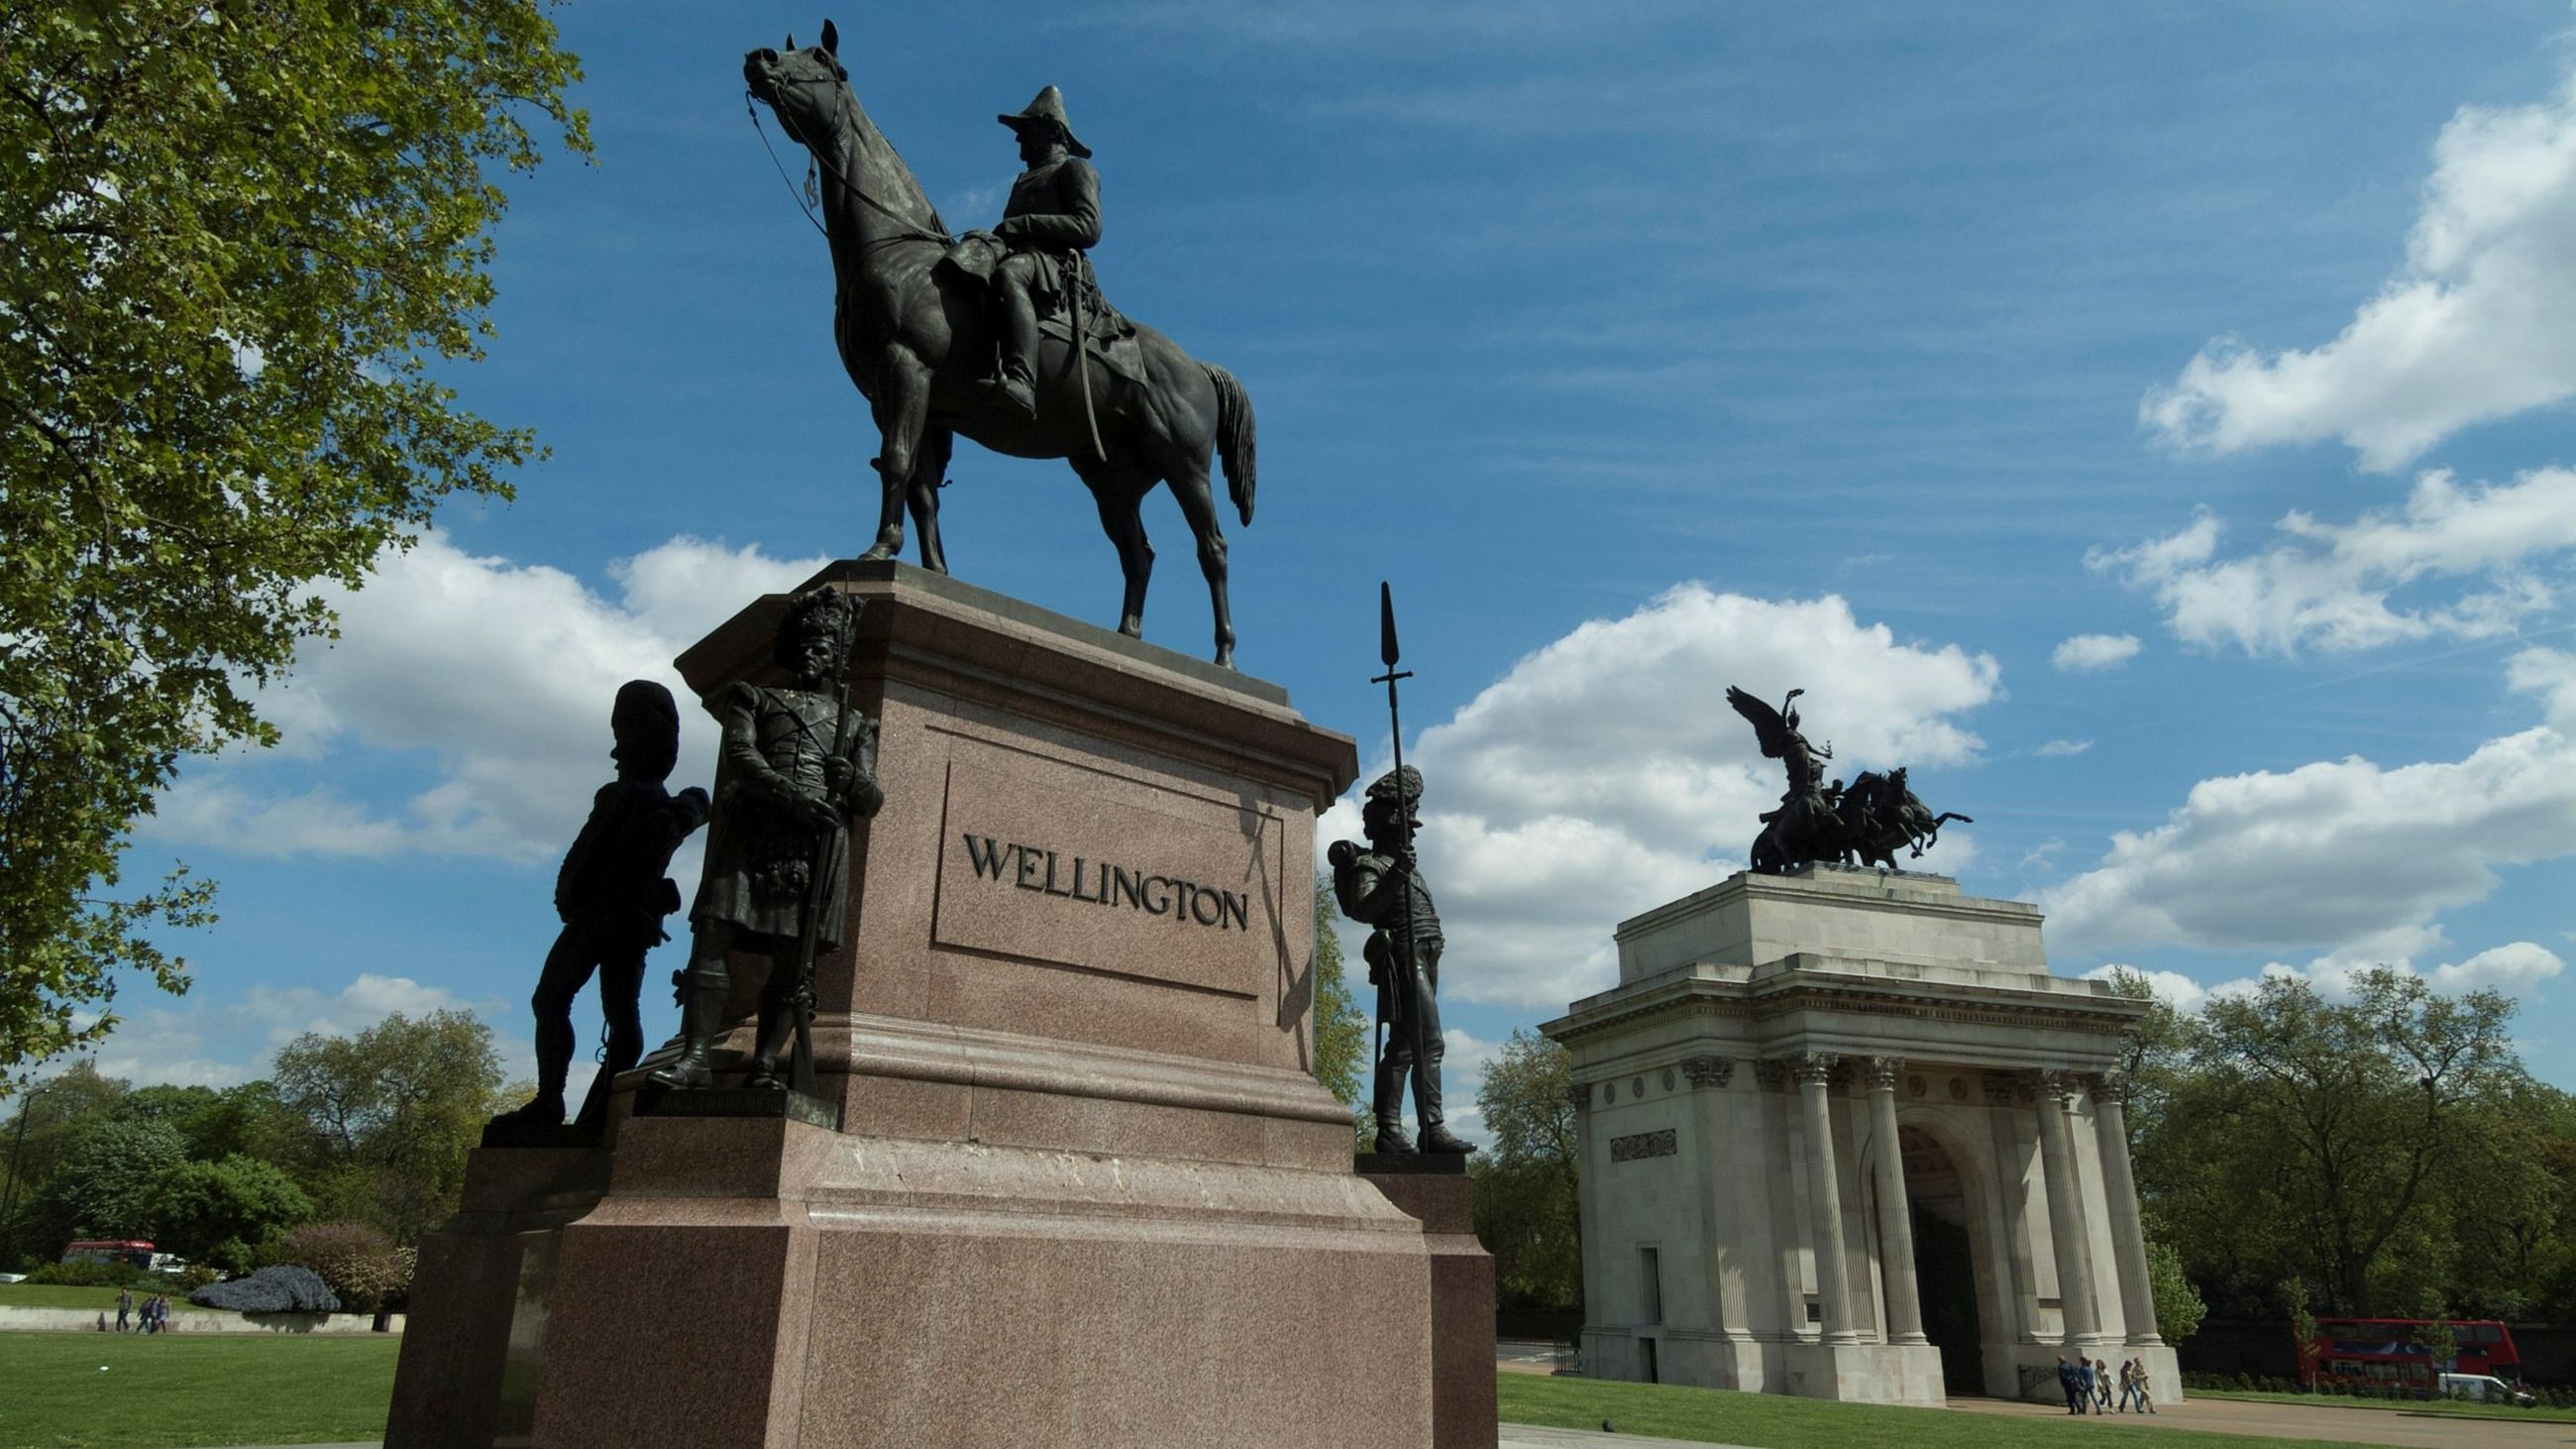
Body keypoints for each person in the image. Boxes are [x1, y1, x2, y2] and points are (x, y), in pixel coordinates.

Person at [651, 589, 883, 1091]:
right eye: (804, 643)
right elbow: (740, 754)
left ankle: (763, 1065)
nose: (810, 652)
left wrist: (850, 781)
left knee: (793, 957)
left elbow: (871, 797)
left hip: (816, 844)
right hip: (755, 829)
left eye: (822, 645)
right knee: (712, 936)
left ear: (839, 656)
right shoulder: (753, 697)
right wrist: (791, 797)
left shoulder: (859, 724)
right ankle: (696, 1058)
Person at [491, 681, 710, 1128]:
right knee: (622, 1012)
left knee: (550, 999)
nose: (615, 750)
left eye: (622, 732)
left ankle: (551, 1100)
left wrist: (570, 900)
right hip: (634, 920)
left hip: (599, 914)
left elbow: (585, 855)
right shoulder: (667, 804)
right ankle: (602, 1110)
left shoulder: (621, 796)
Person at [1331, 766, 1473, 1155]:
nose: (1411, 832)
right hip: (1406, 955)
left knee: (1407, 1045)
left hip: (1428, 953)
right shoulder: (1372, 867)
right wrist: (1396, 876)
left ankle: (1394, 1131)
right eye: (1406, 824)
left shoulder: (1407, 866)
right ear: (1391, 826)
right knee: (1428, 1043)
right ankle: (1428, 1128)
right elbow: (1363, 908)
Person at [975, 86, 1101, 417]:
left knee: (1008, 275)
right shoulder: (1023, 180)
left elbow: (1088, 227)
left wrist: (1024, 224)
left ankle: (1022, 380)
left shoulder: (1074, 171)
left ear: (1052, 132)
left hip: (1053, 266)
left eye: (1026, 131)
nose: (1019, 141)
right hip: (1020, 255)